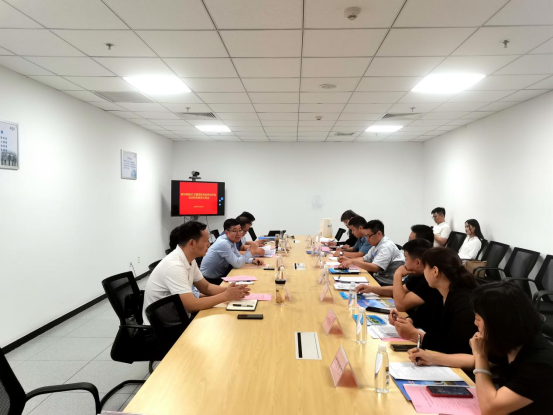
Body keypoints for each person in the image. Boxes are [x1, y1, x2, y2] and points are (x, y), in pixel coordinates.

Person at [408, 281, 553, 415]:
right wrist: (431, 358)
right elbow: (474, 361)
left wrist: (480, 355)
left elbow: (490, 408)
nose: (475, 323)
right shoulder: (511, 339)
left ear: (498, 322)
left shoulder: (540, 363)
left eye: (478, 318)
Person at [143, 221, 250, 323]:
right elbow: (191, 305)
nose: (209, 245)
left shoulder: (190, 259)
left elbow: (206, 287)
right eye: (206, 241)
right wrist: (225, 296)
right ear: (192, 243)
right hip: (166, 328)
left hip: (179, 318)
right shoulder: (175, 266)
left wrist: (231, 290)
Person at [392, 247, 477, 354]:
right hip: (438, 354)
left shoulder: (464, 301)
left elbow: (456, 345)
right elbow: (424, 314)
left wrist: (415, 334)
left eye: (425, 268)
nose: (424, 272)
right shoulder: (439, 290)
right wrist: (407, 321)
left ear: (435, 271)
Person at [356, 238, 431, 300]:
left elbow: (401, 305)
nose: (404, 263)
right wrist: (370, 289)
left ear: (417, 262)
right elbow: (396, 291)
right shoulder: (415, 275)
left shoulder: (426, 281)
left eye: (406, 259)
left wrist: (398, 274)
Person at [339, 220, 404, 286]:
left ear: (378, 233)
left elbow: (375, 268)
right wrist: (349, 261)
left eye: (369, 236)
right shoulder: (376, 245)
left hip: (386, 284)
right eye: (366, 236)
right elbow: (364, 259)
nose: (367, 239)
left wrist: (353, 261)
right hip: (378, 279)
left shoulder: (386, 246)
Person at [200, 218, 264, 284]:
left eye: (240, 230)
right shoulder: (223, 243)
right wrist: (252, 251)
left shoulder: (231, 240)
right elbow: (237, 264)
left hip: (220, 275)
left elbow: (238, 256)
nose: (239, 234)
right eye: (235, 231)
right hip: (209, 280)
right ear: (226, 232)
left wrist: (252, 260)